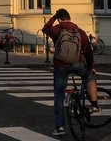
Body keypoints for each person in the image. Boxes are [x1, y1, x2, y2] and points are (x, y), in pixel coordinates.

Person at [42, 8, 99, 137]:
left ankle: (59, 127)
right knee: (89, 76)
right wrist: (90, 67)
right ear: (69, 18)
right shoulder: (80, 32)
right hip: (77, 64)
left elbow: (45, 28)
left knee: (59, 96)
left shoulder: (57, 30)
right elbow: (88, 53)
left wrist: (53, 17)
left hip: (60, 66)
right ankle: (94, 104)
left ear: (60, 19)